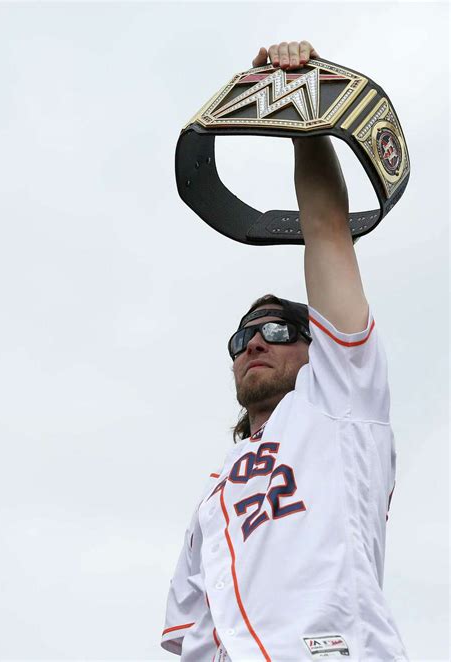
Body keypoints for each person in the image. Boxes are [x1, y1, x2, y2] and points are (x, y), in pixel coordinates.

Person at [161, 41, 408, 661]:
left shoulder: (338, 402)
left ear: (313, 347)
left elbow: (325, 231)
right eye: (242, 337)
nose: (254, 345)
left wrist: (304, 118)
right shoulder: (213, 498)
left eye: (275, 331)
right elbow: (192, 637)